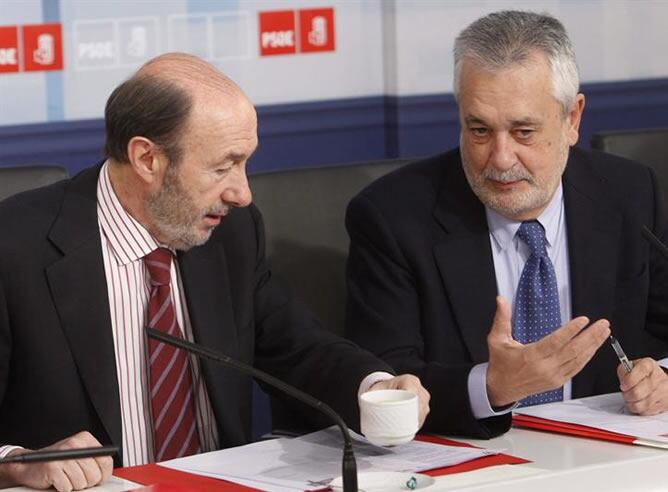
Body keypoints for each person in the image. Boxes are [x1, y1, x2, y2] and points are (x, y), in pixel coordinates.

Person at [0, 53, 430, 491]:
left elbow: (298, 348)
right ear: (147, 159)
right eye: (223, 167)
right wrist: (15, 463)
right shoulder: (14, 249)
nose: (243, 193)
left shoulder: (232, 233)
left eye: (245, 164)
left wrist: (377, 386)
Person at [345, 10, 668, 439]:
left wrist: (661, 378)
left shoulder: (630, 193)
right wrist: (493, 387)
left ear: (572, 119)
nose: (499, 159)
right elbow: (383, 383)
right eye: (479, 130)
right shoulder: (391, 217)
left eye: (523, 132)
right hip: (473, 460)